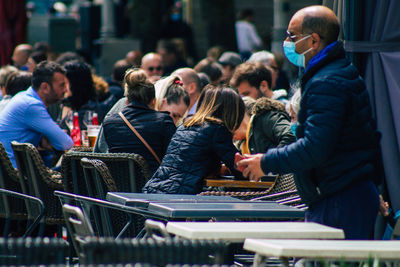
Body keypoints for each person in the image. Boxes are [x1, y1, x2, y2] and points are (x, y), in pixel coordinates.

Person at [237, 5, 381, 240]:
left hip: (340, 198)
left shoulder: (327, 82)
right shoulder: (334, 73)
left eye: (292, 36)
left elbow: (315, 147)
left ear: (314, 41)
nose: (287, 42)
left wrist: (266, 161)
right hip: (341, 194)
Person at [143, 85, 245, 194]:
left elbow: (188, 163)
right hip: (178, 195)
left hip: (155, 189)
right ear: (232, 112)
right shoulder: (217, 129)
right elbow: (241, 169)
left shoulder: (185, 126)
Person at [102, 69, 176, 175]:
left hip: (119, 187)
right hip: (152, 187)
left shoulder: (109, 123)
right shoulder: (163, 121)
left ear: (127, 101)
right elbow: (172, 159)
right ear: (154, 101)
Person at [0, 61, 73, 167]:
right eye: (62, 85)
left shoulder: (24, 96)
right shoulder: (31, 105)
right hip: (16, 176)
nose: (65, 90)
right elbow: (66, 144)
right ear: (45, 87)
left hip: (9, 172)